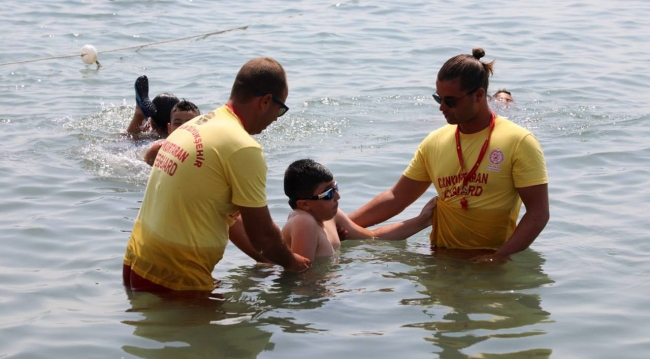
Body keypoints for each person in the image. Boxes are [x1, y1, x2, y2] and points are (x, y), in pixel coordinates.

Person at [123, 57, 311, 293]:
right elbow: (262, 234)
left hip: (137, 263)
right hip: (175, 276)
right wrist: (295, 264)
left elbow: (231, 219)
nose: (276, 118)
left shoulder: (198, 124)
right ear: (265, 101)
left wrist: (272, 262)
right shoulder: (243, 147)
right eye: (280, 109)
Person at [349, 48, 549, 264]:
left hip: (491, 264)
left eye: (451, 101)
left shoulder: (519, 141)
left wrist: (497, 258)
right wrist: (341, 223)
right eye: (439, 99)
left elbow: (538, 213)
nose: (442, 108)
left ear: (479, 95)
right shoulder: (434, 142)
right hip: (439, 258)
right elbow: (396, 198)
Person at [282, 159, 437, 261]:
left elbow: (373, 238)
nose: (338, 196)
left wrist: (422, 220)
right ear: (305, 204)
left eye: (335, 187)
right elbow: (300, 278)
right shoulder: (304, 221)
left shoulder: (330, 217)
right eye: (328, 193)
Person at [143, 100, 201, 166]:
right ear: (169, 128)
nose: (183, 127)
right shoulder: (158, 150)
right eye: (177, 123)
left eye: (189, 123)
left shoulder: (204, 151)